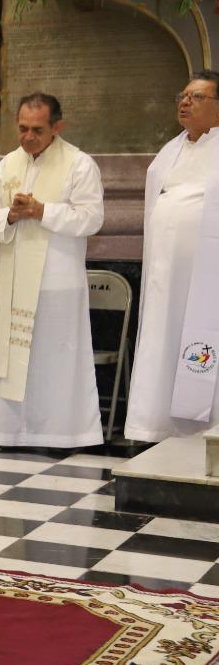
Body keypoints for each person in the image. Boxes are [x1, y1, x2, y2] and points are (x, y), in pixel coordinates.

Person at [0, 94, 104, 448]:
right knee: (15, 360)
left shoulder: (79, 164)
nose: (28, 137)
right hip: (16, 283)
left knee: (54, 361)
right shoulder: (8, 166)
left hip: (57, 285)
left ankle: (61, 433)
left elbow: (92, 218)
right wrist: (12, 215)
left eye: (37, 130)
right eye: (22, 129)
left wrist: (42, 211)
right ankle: (11, 432)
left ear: (56, 128)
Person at [125, 73, 219, 443]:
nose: (184, 102)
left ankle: (207, 428)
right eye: (182, 95)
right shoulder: (169, 151)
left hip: (207, 282)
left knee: (203, 344)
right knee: (162, 342)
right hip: (165, 278)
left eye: (196, 96)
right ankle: (155, 425)